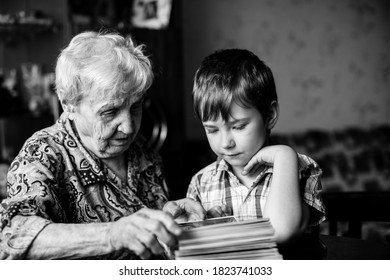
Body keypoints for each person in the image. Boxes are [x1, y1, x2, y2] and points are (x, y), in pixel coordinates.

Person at [0, 30, 205, 260]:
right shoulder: (43, 153)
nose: (128, 127)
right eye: (109, 111)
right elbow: (13, 240)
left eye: (135, 106)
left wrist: (168, 217)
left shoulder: (140, 149)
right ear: (68, 104)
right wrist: (112, 234)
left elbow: (148, 233)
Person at [187, 49, 326, 245]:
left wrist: (284, 155)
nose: (226, 143)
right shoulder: (200, 183)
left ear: (269, 116)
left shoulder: (302, 170)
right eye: (212, 130)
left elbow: (280, 230)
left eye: (239, 126)